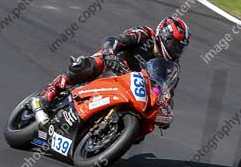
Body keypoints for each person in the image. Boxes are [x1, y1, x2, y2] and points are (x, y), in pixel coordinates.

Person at [30, 17, 190, 126]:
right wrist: (109, 52)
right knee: (89, 64)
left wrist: (165, 109)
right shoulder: (144, 34)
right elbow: (114, 40)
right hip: (113, 67)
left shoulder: (172, 66)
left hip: (133, 91)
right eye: (174, 45)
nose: (176, 50)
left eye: (180, 48)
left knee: (144, 125)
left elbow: (167, 93)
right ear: (163, 36)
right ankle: (48, 94)